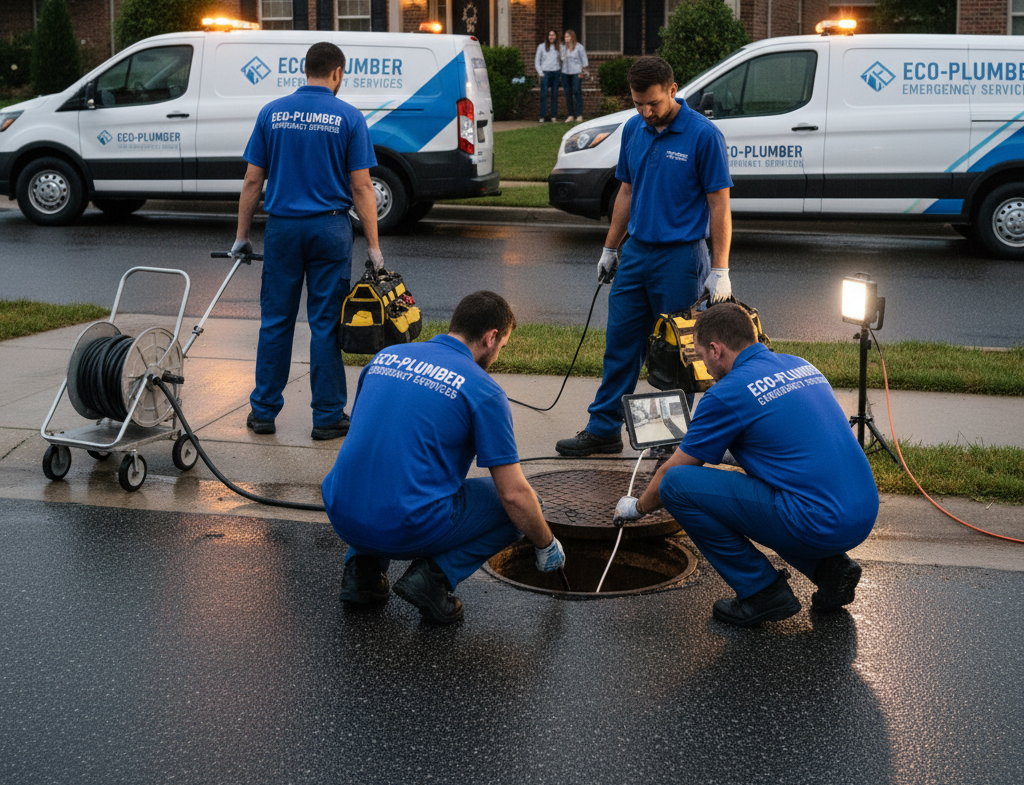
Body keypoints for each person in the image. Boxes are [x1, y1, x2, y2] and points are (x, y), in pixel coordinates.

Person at [613, 302, 880, 627]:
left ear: (715, 349)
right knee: (765, 492)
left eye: (699, 356)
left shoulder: (726, 393)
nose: (704, 366)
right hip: (863, 510)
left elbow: (672, 471)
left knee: (677, 486)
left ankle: (761, 591)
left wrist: (636, 508)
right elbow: (777, 443)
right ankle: (830, 570)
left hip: (818, 522)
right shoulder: (800, 365)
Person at [321, 291, 566, 625]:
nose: (497, 355)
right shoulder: (483, 390)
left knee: (389, 468)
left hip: (341, 511)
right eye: (502, 346)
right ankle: (433, 580)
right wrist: (545, 543)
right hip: (405, 526)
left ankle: (362, 574)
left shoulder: (384, 357)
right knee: (522, 506)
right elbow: (514, 496)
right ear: (490, 337)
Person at [556, 55, 733, 457]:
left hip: (681, 258)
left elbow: (719, 206)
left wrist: (720, 269)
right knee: (620, 344)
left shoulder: (704, 136)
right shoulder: (635, 128)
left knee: (671, 353)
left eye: (652, 103)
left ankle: (665, 441)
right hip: (636, 253)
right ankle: (603, 430)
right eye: (638, 103)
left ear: (673, 90)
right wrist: (610, 247)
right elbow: (626, 192)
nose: (646, 112)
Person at [231, 41, 382, 441]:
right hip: (329, 229)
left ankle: (263, 412)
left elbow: (251, 180)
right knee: (325, 324)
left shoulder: (272, 113)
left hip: (282, 228)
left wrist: (242, 236)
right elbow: (363, 187)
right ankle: (328, 416)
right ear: (336, 73)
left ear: (306, 70)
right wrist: (373, 246)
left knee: (276, 321)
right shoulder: (349, 117)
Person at [534, 28, 562, 122]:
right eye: (550, 35)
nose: (551, 37)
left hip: (556, 73)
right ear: (547, 36)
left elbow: (562, 60)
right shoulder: (541, 47)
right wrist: (541, 73)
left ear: (556, 36)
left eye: (553, 35)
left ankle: (553, 116)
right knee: (544, 95)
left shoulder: (559, 47)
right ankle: (542, 116)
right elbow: (537, 61)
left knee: (554, 95)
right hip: (545, 73)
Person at [560, 30, 588, 122]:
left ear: (572, 37)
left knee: (576, 92)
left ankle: (579, 115)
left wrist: (583, 72)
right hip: (565, 72)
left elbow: (584, 61)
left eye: (568, 37)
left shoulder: (579, 47)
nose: (566, 39)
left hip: (576, 72)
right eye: (565, 37)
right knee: (568, 93)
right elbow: (561, 58)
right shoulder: (563, 47)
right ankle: (571, 115)